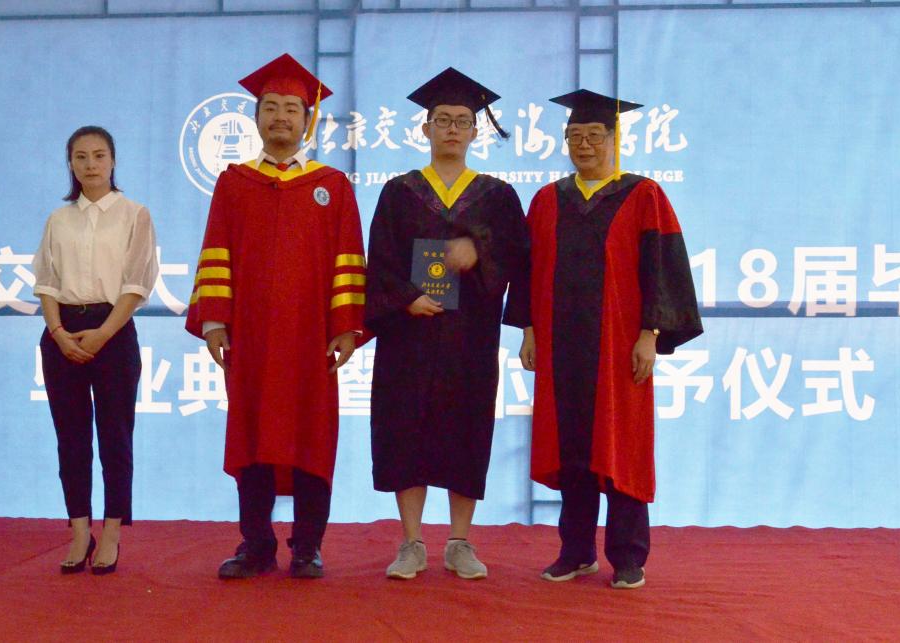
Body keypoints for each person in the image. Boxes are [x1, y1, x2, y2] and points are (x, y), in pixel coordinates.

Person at [503, 89, 703, 589]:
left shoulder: (643, 195)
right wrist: (528, 329)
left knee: (622, 447)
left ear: (615, 139)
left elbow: (662, 270)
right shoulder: (548, 200)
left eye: (595, 135)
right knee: (571, 448)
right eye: (575, 136)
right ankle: (575, 552)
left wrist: (650, 334)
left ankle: (628, 556)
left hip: (619, 346)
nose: (585, 144)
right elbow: (526, 271)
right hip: (559, 346)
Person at [184, 53, 365, 580]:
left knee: (312, 438)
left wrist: (346, 328)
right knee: (252, 438)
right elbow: (216, 251)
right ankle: (256, 545)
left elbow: (348, 259)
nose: (281, 116)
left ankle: (307, 546)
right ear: (256, 117)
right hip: (253, 338)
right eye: (270, 107)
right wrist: (215, 322)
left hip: (312, 340)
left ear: (308, 119)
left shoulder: (332, 185)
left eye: (291, 108)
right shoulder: (234, 183)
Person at [365, 68, 529, 581]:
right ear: (426, 128)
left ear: (476, 131)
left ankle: (460, 541)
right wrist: (406, 299)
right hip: (409, 336)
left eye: (462, 121)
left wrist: (479, 250)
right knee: (404, 429)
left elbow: (518, 256)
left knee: (466, 428)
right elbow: (379, 261)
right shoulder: (399, 192)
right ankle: (412, 541)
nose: (452, 129)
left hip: (469, 338)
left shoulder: (497, 196)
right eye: (443, 120)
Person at [33, 125, 159, 575]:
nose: (90, 165)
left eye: (99, 155)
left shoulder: (134, 214)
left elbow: (137, 283)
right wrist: (58, 331)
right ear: (70, 163)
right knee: (70, 438)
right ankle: (79, 531)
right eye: (81, 156)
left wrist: (103, 334)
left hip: (114, 331)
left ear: (113, 161)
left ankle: (111, 533)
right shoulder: (58, 219)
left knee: (115, 436)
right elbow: (46, 282)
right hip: (62, 334)